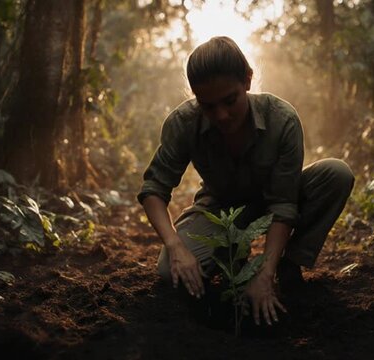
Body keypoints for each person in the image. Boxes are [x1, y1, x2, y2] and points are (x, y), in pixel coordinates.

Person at [137, 36, 354, 327]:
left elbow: (284, 204)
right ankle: (231, 263)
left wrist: (264, 274)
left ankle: (287, 267)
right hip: (220, 211)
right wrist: (176, 247)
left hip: (274, 204)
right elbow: (153, 190)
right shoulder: (183, 123)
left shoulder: (282, 120)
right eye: (208, 106)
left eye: (230, 101)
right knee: (167, 271)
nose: (221, 115)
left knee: (336, 174)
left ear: (248, 81)